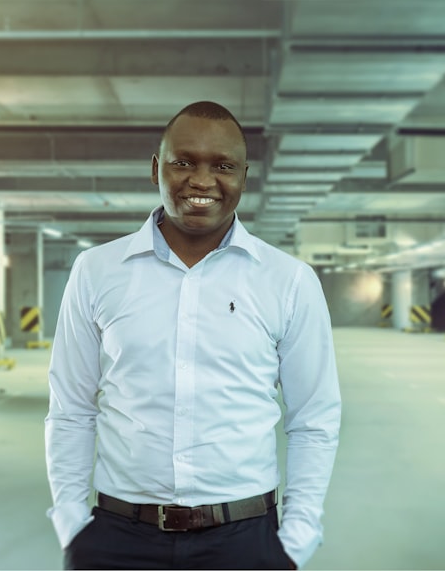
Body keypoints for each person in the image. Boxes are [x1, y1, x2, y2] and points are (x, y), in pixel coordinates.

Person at [44, 100, 341, 570]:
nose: (202, 181)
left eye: (222, 166)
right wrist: (72, 522)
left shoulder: (288, 280)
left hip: (245, 541)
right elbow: (70, 409)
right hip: (117, 538)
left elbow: (313, 420)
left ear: (244, 176)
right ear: (156, 168)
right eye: (183, 162)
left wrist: (297, 538)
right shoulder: (97, 271)